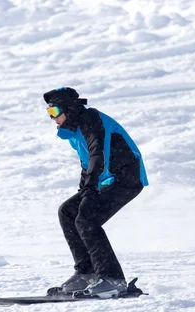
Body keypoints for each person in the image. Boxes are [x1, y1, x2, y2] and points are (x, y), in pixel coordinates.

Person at [43, 87, 149, 298]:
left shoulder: (91, 120)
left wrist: (90, 190)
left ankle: (112, 279)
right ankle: (87, 272)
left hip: (127, 179)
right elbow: (87, 165)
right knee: (68, 212)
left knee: (87, 220)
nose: (52, 118)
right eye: (49, 114)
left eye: (54, 112)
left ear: (68, 109)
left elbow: (97, 155)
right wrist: (85, 190)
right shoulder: (75, 131)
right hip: (108, 181)